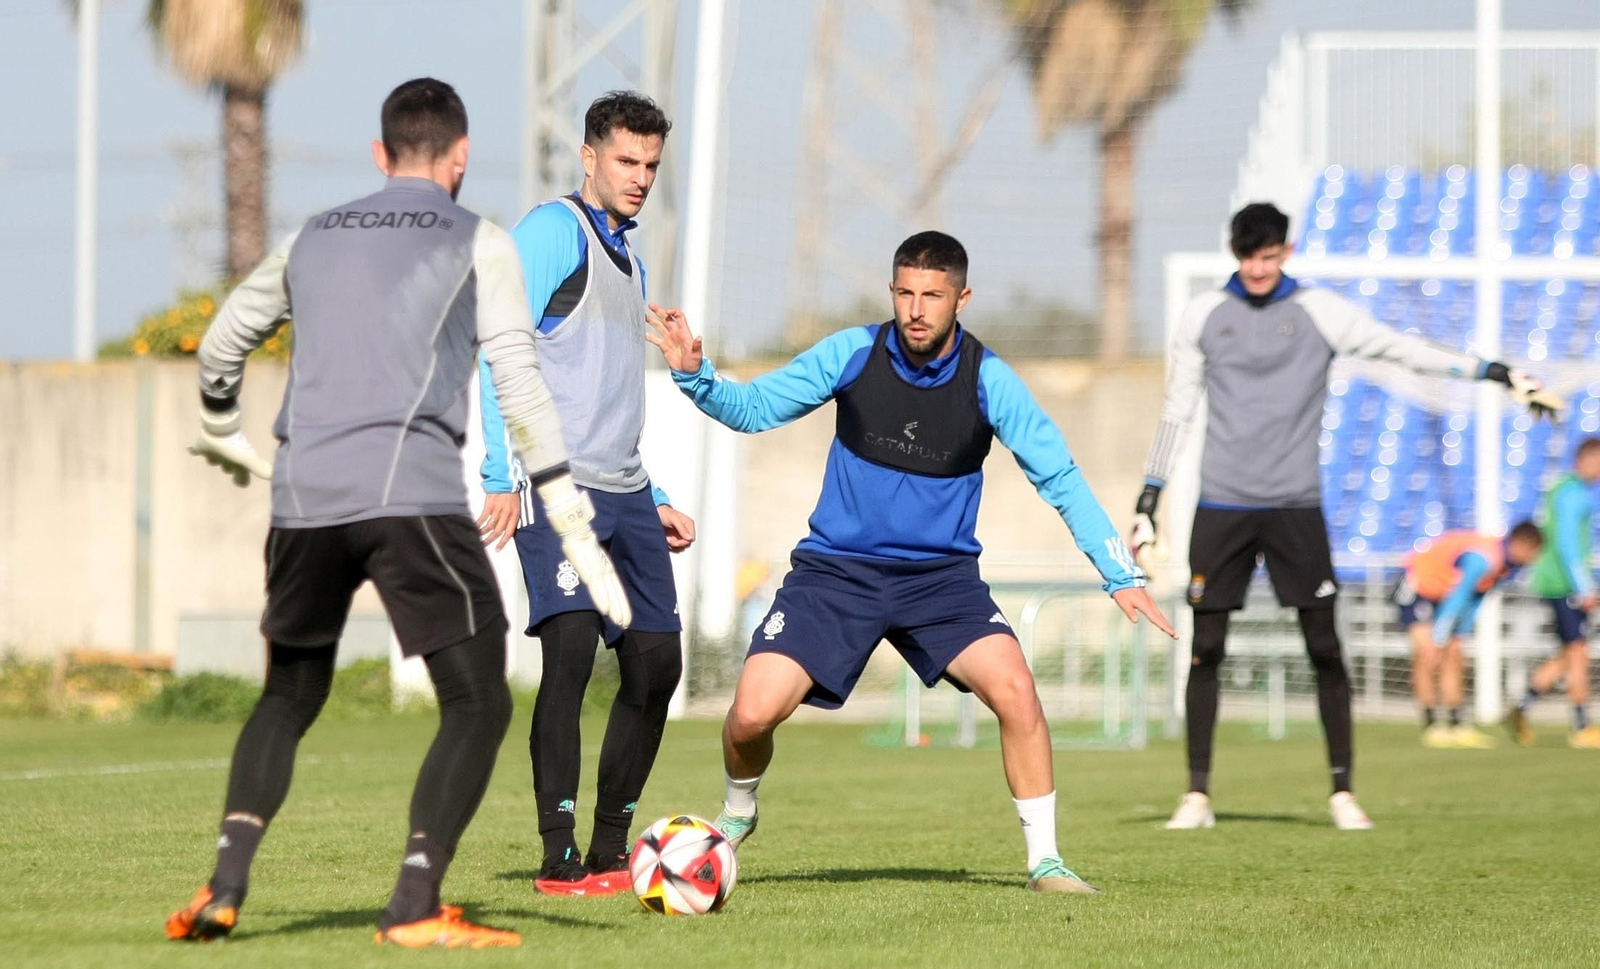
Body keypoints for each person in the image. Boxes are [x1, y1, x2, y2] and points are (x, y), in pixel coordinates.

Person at [166, 78, 630, 949]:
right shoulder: (480, 241)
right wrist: (564, 500)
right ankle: (414, 903)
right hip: (408, 497)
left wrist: (221, 425)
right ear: (459, 158)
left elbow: (225, 337)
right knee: (478, 699)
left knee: (288, 695)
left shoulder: (310, 237)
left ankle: (225, 886)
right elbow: (516, 376)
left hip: (301, 498)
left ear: (380, 157)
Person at [647, 231, 1175, 893]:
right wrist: (696, 375)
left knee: (1016, 690)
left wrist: (1119, 574)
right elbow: (753, 410)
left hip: (940, 583)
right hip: (836, 573)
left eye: (933, 294)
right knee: (751, 713)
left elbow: (1061, 477)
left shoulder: (990, 381)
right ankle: (739, 811)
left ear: (962, 297)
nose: (917, 308)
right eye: (905, 293)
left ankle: (1047, 862)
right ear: (892, 292)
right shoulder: (851, 354)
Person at [1134, 202, 1563, 831]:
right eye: (1247, 255)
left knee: (1325, 647)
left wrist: (1494, 372)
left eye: (1269, 254)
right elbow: (1177, 410)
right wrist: (1149, 499)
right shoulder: (1202, 315)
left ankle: (1341, 793)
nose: (1258, 266)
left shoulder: (1320, 313)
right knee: (1208, 647)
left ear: (1286, 251)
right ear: (1234, 253)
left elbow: (1403, 350)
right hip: (1222, 506)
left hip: (1296, 507)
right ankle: (1197, 794)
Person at [476, 91, 694, 896]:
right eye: (627, 161)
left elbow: (609, 394)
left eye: (652, 166)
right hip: (554, 485)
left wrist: (658, 491)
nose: (640, 177)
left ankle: (612, 847)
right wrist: (501, 474)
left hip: (626, 490)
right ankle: (558, 850)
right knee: (568, 652)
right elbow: (497, 349)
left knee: (657, 661)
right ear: (590, 156)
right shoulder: (549, 232)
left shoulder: (630, 257)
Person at [1396, 524, 1544, 749]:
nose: (1534, 558)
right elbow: (1460, 595)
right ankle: (1432, 726)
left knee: (1455, 654)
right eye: (1533, 551)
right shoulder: (1484, 558)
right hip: (1418, 586)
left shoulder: (1507, 566)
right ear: (1521, 544)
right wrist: (1439, 636)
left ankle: (1457, 725)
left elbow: (1475, 599)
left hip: (1443, 595)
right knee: (1427, 652)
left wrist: (1461, 633)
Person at [1508, 438, 1600, 749]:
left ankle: (1521, 707)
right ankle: (1581, 725)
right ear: (1585, 459)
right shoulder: (1574, 494)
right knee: (1578, 652)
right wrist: (1584, 586)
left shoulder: (1563, 488)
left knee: (1569, 652)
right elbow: (1567, 545)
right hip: (1563, 582)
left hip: (1555, 580)